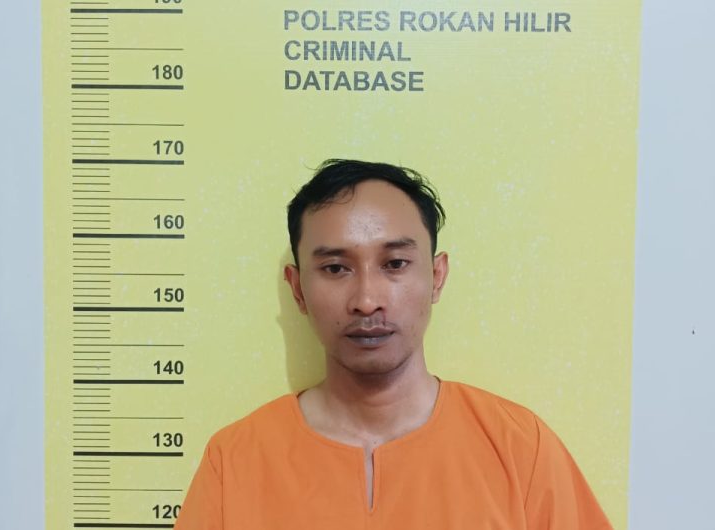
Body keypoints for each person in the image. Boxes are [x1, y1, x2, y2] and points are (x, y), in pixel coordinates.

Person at [174, 159, 612, 529]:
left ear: (436, 276)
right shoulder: (233, 462)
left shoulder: (520, 449)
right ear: (297, 289)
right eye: (335, 268)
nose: (367, 300)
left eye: (395, 263)